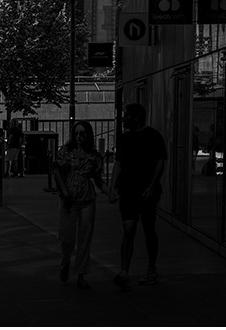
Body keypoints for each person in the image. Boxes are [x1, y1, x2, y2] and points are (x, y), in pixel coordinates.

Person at [111, 102, 168, 289]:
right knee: (129, 229)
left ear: (136, 118)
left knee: (148, 228)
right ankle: (124, 271)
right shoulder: (125, 138)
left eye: (126, 115)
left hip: (145, 190)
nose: (123, 118)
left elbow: (160, 162)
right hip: (128, 190)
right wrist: (112, 186)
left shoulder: (153, 136)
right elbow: (118, 163)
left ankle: (151, 268)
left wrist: (151, 186)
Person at [54, 120, 105, 290]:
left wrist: (109, 191)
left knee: (85, 238)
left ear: (88, 135)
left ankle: (81, 274)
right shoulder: (66, 152)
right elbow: (58, 173)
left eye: (82, 133)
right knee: (67, 237)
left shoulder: (94, 156)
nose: (79, 137)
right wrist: (65, 192)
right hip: (69, 197)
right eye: (76, 133)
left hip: (86, 198)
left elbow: (97, 179)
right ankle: (66, 260)